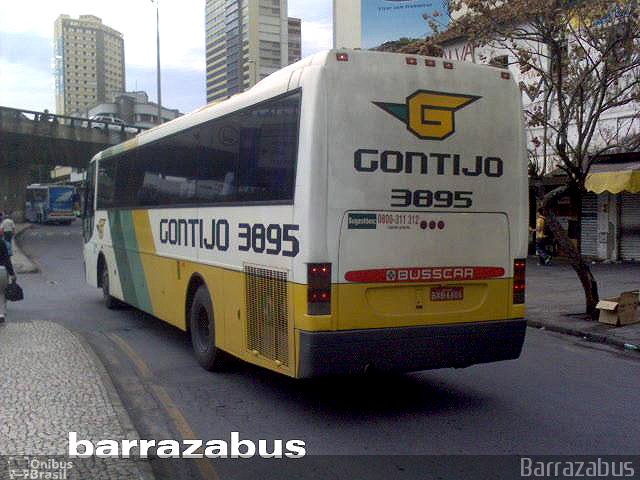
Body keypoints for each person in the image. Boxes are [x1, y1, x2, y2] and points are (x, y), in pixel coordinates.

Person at [0, 230, 16, 322]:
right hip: (2, 270)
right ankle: (1, 314)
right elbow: (7, 260)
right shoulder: (2, 243)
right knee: (2, 293)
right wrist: (12, 274)